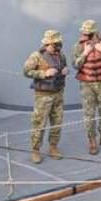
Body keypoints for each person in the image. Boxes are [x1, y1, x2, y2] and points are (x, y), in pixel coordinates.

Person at [23, 29, 67, 164]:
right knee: (39, 123)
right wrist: (44, 73)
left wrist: (65, 71)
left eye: (59, 44)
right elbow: (26, 71)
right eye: (55, 45)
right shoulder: (36, 56)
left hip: (58, 93)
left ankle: (53, 147)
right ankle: (35, 150)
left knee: (57, 123)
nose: (58, 47)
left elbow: (62, 67)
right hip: (43, 95)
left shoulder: (60, 55)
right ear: (48, 44)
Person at [73, 19, 101, 154]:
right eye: (85, 33)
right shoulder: (79, 46)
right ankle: (91, 140)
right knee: (89, 114)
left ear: (95, 33)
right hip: (87, 84)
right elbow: (75, 65)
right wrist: (85, 53)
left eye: (89, 33)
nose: (86, 35)